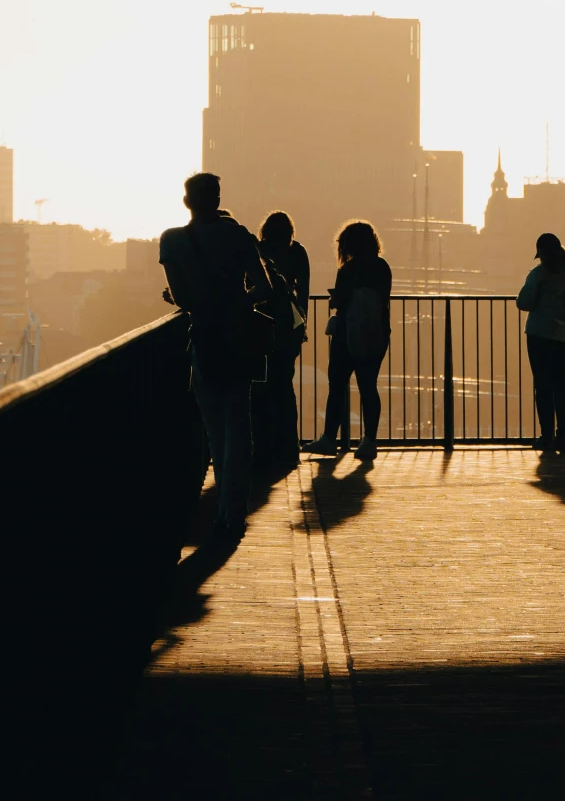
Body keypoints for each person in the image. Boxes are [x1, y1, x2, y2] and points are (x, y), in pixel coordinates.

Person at [158, 171, 270, 539]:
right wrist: (236, 303)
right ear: (218, 200)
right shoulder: (236, 235)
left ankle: (223, 511)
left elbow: (184, 299)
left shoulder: (173, 242)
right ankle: (233, 512)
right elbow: (264, 289)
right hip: (238, 338)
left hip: (204, 339)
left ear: (187, 201)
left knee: (215, 429)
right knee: (239, 427)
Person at [317, 219, 391, 462]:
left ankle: (330, 438)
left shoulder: (348, 269)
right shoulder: (382, 267)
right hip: (376, 333)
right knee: (368, 386)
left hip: (346, 335)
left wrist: (335, 299)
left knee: (337, 386)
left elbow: (340, 301)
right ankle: (369, 440)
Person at [517, 231, 565, 450]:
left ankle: (546, 435)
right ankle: (563, 435)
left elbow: (523, 302)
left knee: (543, 385)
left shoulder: (539, 275)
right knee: (562, 385)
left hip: (539, 336)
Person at [256, 210, 310, 471]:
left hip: (262, 323)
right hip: (290, 325)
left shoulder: (259, 249)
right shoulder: (298, 252)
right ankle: (289, 447)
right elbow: (305, 292)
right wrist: (303, 325)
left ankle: (264, 446)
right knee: (284, 386)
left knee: (261, 388)